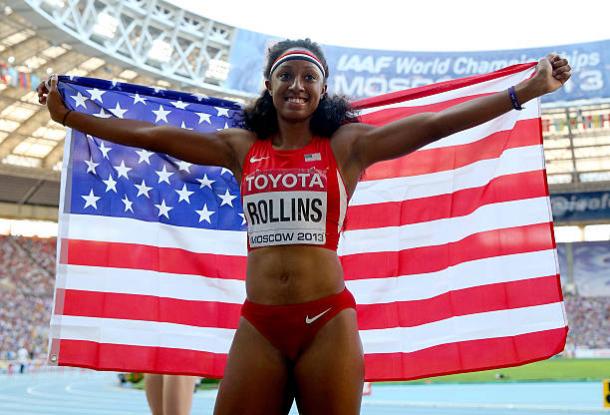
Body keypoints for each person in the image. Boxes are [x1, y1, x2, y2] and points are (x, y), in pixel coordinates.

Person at [37, 38, 571, 414]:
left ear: (323, 90)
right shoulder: (241, 148)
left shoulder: (347, 145)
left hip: (327, 324)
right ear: (269, 87)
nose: (297, 85)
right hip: (260, 324)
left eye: (308, 77)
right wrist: (73, 119)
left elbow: (434, 124)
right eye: (286, 76)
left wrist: (524, 91)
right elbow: (153, 134)